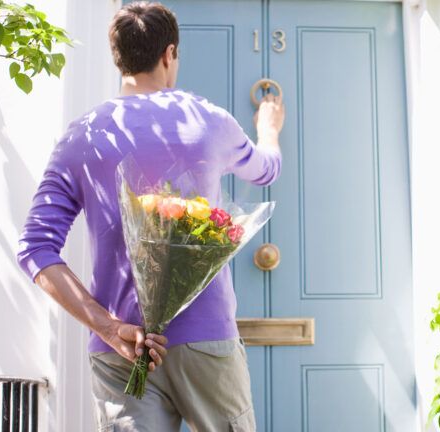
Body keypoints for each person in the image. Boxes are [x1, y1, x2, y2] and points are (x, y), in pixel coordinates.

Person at [16, 2, 285, 430]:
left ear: (117, 58)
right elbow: (267, 170)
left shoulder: (83, 136)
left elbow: (35, 248)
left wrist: (106, 326)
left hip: (121, 349)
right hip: (205, 340)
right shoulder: (207, 121)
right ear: (169, 54)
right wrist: (269, 128)